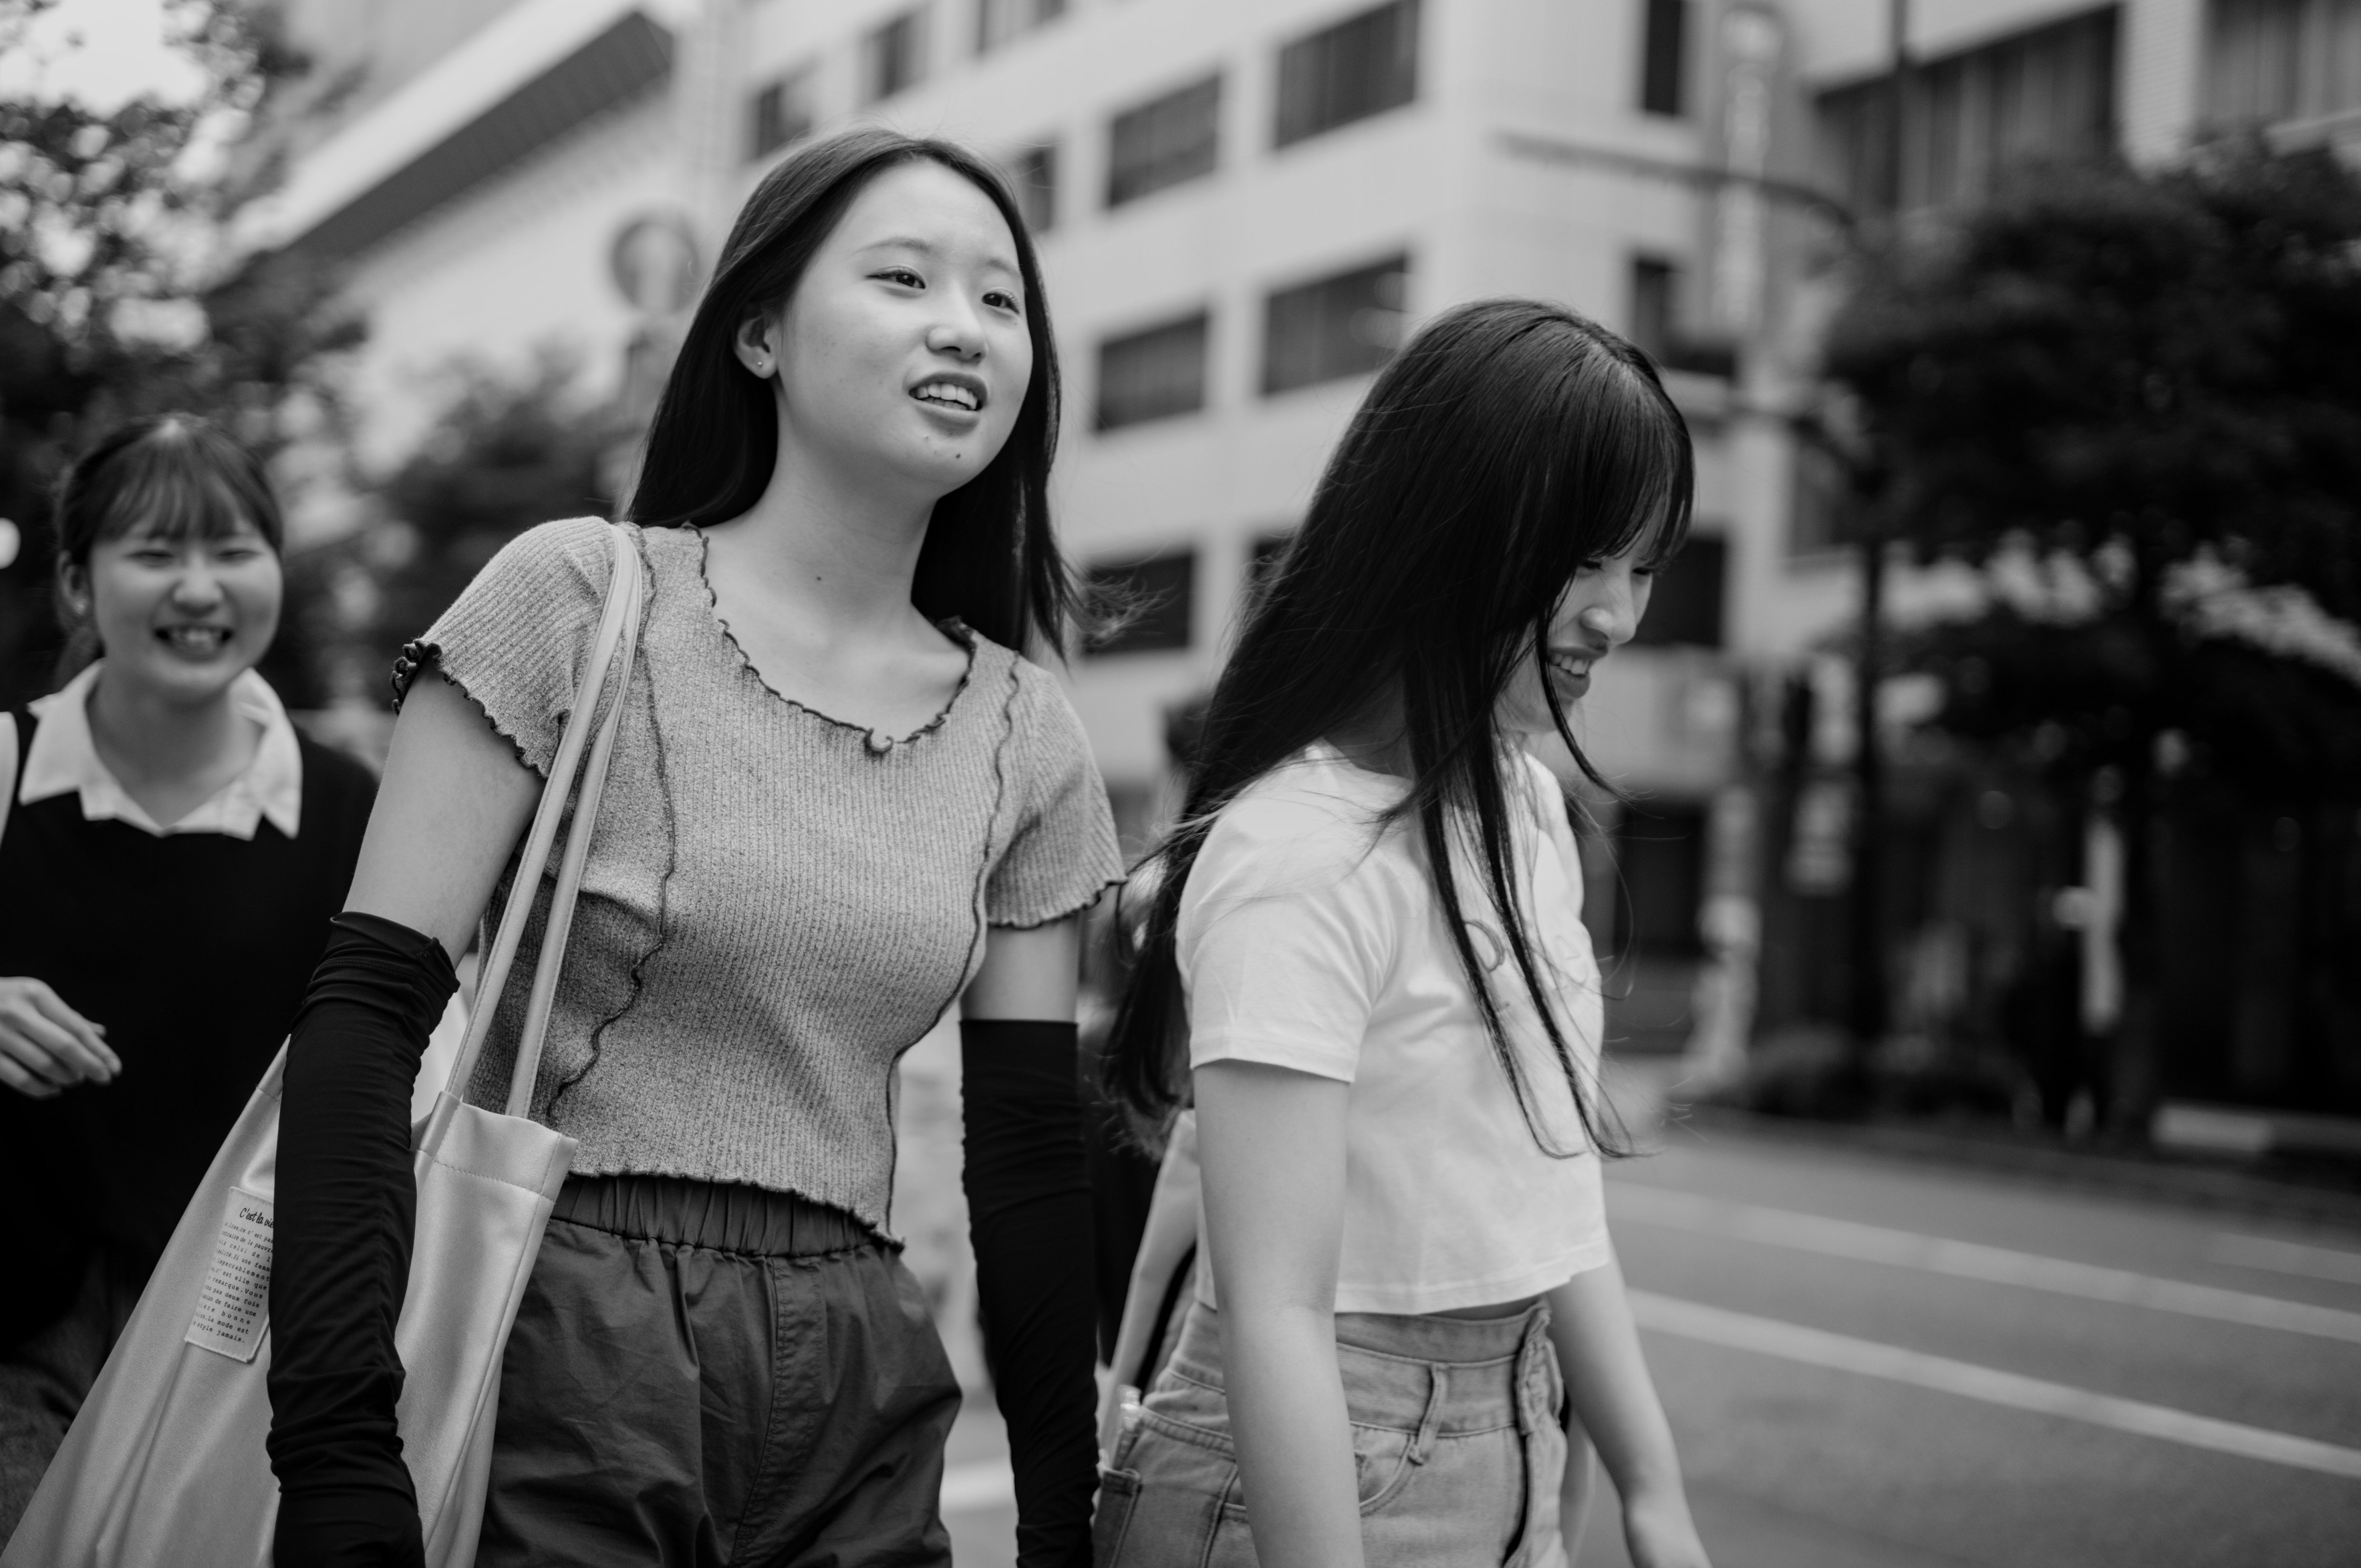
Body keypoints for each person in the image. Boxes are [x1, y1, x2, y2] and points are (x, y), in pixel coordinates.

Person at [264, 128, 1121, 1568]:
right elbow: (361, 1017)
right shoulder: (576, 598)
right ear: (760, 333)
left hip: (858, 1367)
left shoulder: (1028, 735)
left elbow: (1027, 1150)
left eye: (1001, 299)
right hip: (559, 1323)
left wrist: (1059, 1516)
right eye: (905, 277)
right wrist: (339, 1455)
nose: (962, 328)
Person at [1096, 300, 1715, 1568]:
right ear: (1446, 534)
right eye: (1585, 560)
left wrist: (1654, 1493)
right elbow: (1272, 1311)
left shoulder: (1530, 807)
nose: (1619, 615)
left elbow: (1551, 1199)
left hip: (1517, 1428)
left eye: (1643, 568)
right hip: (1323, 1455)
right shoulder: (1301, 853)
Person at [0, 415, 377, 1534]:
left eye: (231, 550)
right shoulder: (8, 766)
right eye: (156, 554)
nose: (199, 587)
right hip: (15, 1322)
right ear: (77, 585)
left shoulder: (356, 811)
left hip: (248, 1334)